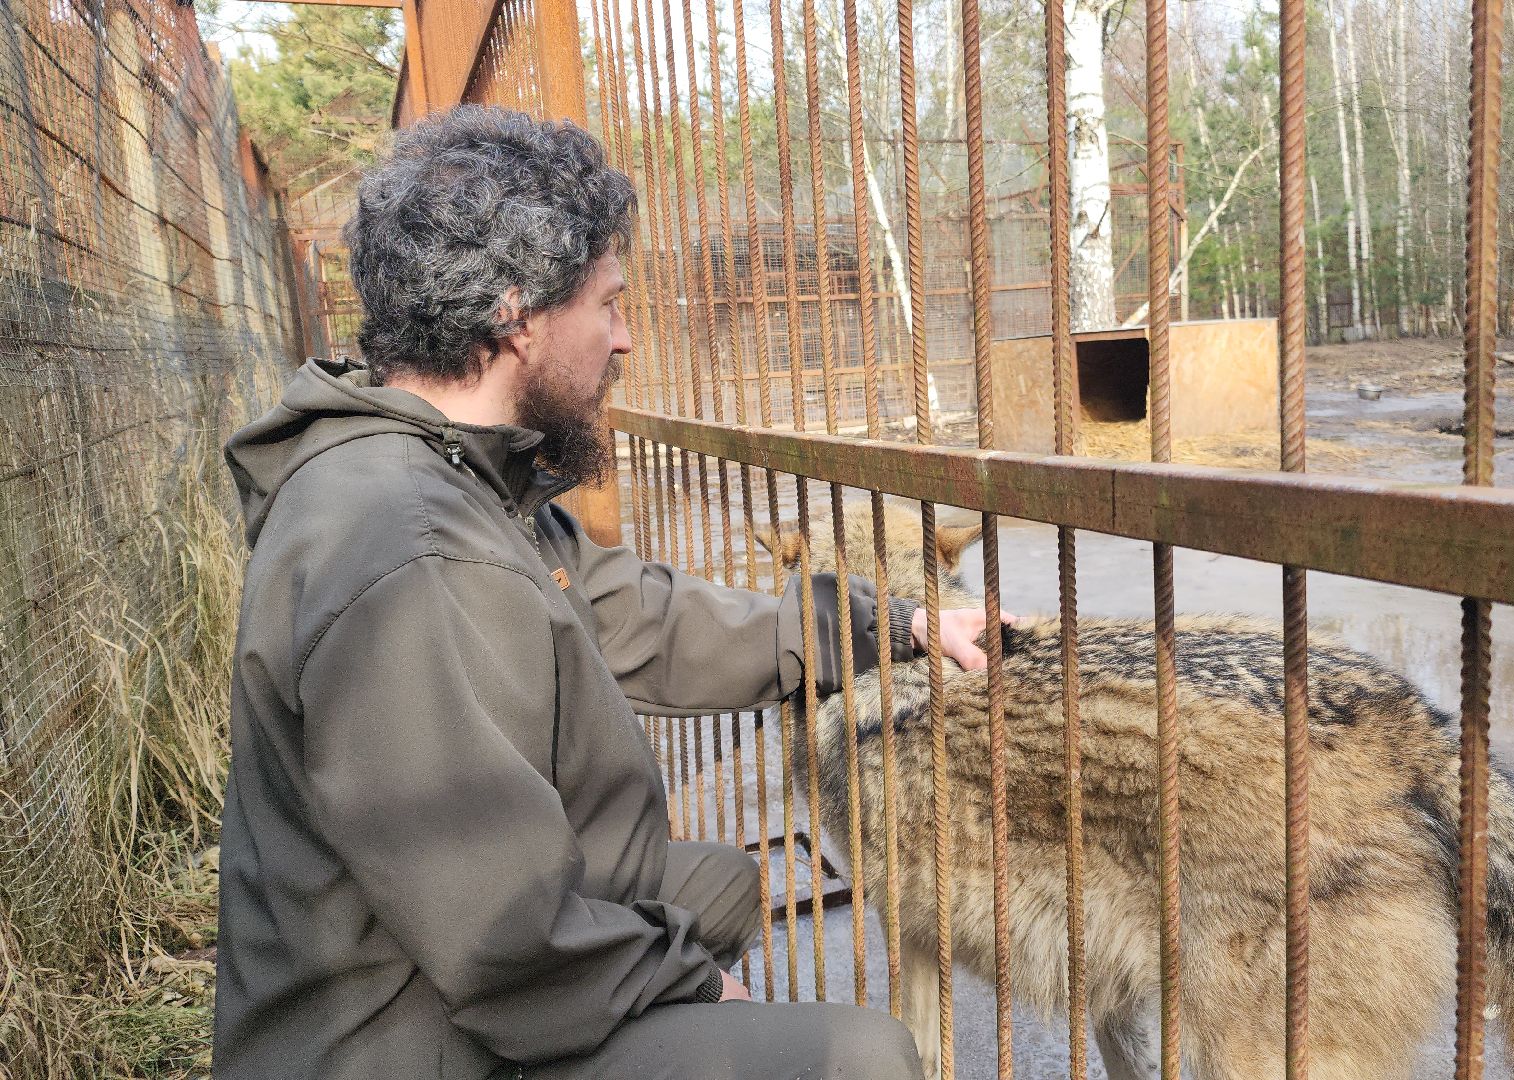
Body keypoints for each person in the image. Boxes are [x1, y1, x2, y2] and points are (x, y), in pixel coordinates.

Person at [215, 105, 999, 1079]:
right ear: (517, 315)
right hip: (399, 1040)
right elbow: (498, 933)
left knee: (717, 885)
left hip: (442, 957)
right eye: (609, 304)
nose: (624, 341)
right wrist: (687, 986)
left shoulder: (456, 476)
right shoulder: (413, 549)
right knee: (865, 1055)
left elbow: (642, 617)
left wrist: (894, 624)